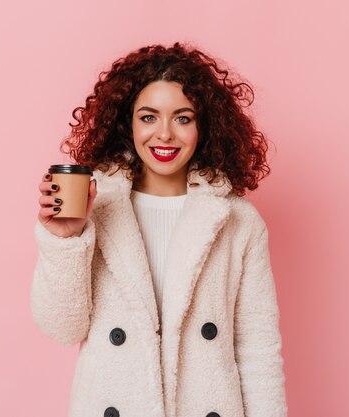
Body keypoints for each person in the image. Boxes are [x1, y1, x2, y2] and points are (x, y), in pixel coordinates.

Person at [32, 42, 287, 417]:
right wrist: (66, 238)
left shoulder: (237, 221)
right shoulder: (95, 209)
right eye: (149, 117)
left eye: (183, 118)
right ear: (127, 123)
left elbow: (258, 349)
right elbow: (62, 328)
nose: (165, 134)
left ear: (204, 126)